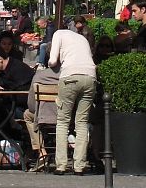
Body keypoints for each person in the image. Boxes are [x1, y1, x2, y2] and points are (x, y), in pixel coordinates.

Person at [48, 20, 97, 175]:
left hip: (70, 76)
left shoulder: (58, 34)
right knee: (82, 122)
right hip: (90, 77)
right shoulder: (82, 38)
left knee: (63, 122)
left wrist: (51, 63)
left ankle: (61, 165)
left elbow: (52, 60)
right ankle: (79, 166)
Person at [25, 63, 59, 170]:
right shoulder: (69, 74)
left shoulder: (39, 76)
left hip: (45, 116)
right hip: (68, 117)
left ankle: (42, 152)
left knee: (27, 114)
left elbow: (31, 105)